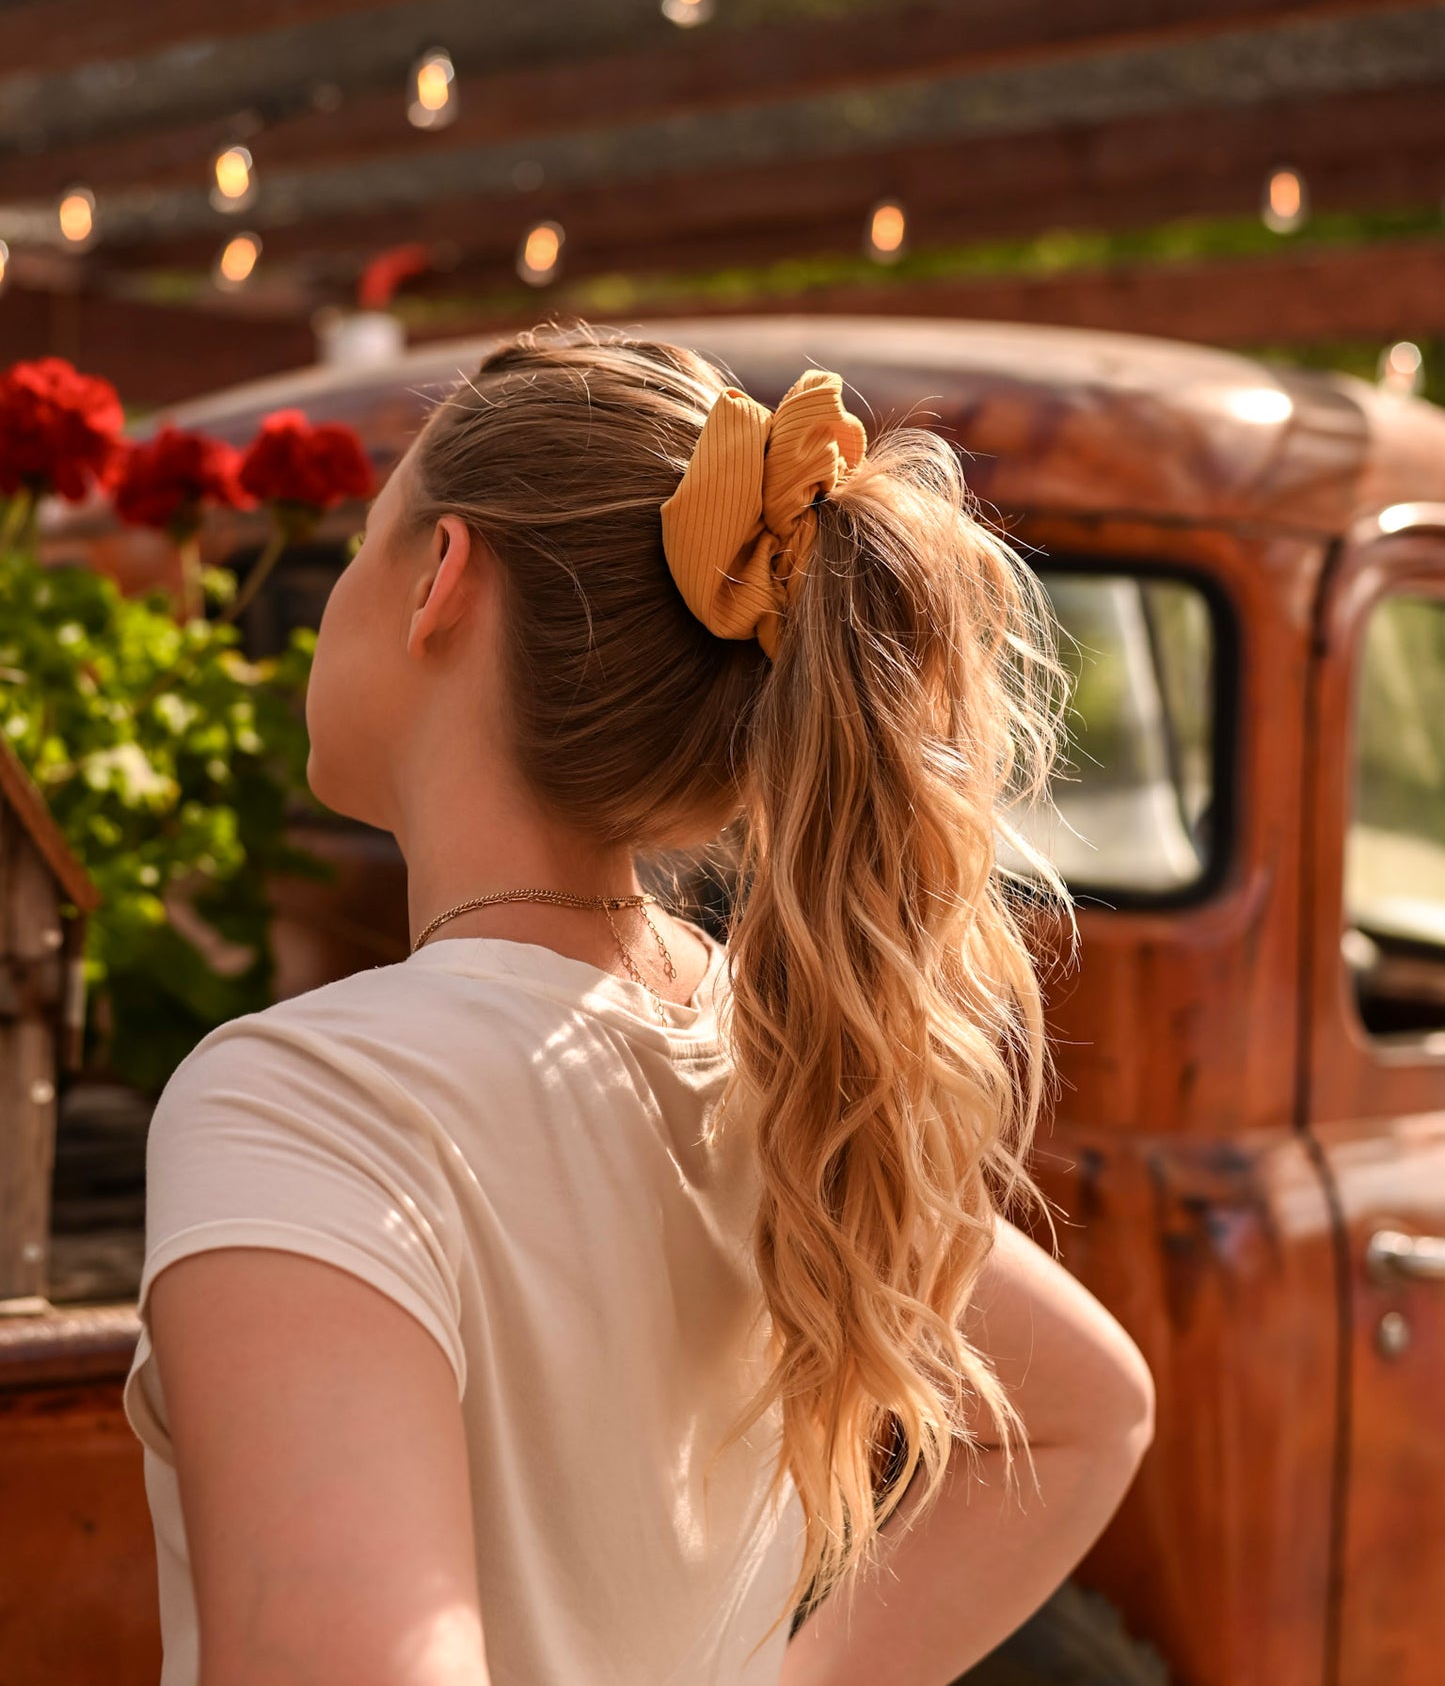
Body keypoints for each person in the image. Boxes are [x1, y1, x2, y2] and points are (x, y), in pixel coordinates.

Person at [122, 327, 1155, 1686]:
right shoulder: (775, 1051)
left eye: (363, 546)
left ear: (441, 579)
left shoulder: (311, 1103)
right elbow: (1086, 1411)